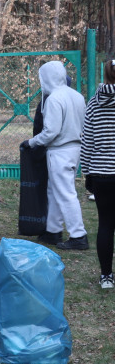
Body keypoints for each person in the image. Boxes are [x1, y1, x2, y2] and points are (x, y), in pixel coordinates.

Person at [22, 61, 88, 250]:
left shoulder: (53, 98)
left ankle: (78, 235)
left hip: (59, 151)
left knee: (66, 193)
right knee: (56, 190)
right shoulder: (77, 96)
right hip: (75, 149)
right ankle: (53, 231)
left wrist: (31, 142)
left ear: (46, 78)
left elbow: (50, 132)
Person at [80, 59, 115, 289]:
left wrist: (87, 172)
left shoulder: (94, 103)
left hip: (101, 172)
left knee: (105, 224)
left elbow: (87, 141)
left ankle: (106, 277)